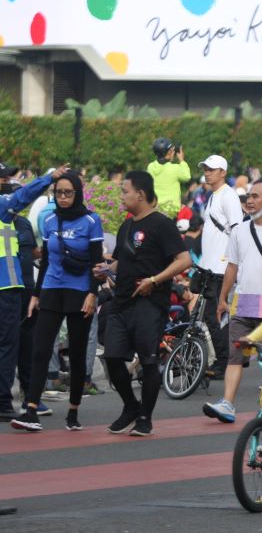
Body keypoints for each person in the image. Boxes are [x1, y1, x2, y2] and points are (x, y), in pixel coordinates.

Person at [96, 171, 191, 436]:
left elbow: (184, 260)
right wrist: (105, 269)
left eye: (125, 191)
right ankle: (130, 407)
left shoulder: (162, 224)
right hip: (122, 301)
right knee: (113, 357)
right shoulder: (127, 225)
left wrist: (154, 279)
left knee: (149, 361)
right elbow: (121, 261)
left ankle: (145, 418)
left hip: (149, 303)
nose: (122, 196)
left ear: (140, 194)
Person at [11, 172, 104, 432]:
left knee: (76, 354)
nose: (63, 197)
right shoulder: (49, 220)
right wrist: (36, 295)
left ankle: (73, 412)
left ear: (77, 193)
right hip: (51, 288)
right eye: (58, 193)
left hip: (80, 292)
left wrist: (92, 293)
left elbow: (97, 263)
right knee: (40, 351)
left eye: (68, 193)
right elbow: (48, 261)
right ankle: (31, 410)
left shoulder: (91, 221)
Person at [202, 180, 262, 423]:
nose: (250, 201)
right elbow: (232, 266)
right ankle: (227, 404)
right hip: (242, 303)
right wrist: (223, 298)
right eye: (248, 197)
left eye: (255, 196)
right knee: (235, 356)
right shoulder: (239, 230)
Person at [0, 165, 67, 422]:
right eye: (4, 178)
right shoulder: (4, 206)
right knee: (8, 345)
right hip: (6, 285)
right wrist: (50, 177)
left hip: (13, 285)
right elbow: (22, 196)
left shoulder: (19, 221)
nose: (9, 181)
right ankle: (3, 401)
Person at [199, 155, 242, 377]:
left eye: (212, 169)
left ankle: (225, 361)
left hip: (221, 268)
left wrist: (231, 264)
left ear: (223, 172)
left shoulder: (228, 196)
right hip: (211, 267)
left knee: (216, 315)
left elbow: (237, 230)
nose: (207, 173)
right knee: (212, 316)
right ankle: (226, 358)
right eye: (205, 169)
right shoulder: (214, 196)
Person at [146, 138, 191, 217]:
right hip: (171, 211)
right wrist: (182, 160)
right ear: (169, 151)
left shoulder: (151, 167)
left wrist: (169, 159)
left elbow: (162, 166)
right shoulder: (175, 168)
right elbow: (187, 177)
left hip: (154, 209)